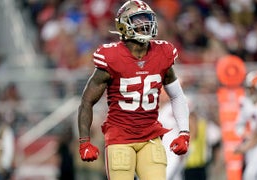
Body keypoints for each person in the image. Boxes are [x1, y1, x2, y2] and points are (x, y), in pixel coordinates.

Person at [77, 1, 190, 180]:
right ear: (124, 24)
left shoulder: (163, 52)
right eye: (139, 20)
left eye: (148, 19)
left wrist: (184, 132)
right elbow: (87, 101)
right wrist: (84, 142)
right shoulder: (111, 57)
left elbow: (177, 95)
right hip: (120, 138)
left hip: (150, 136)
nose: (145, 24)